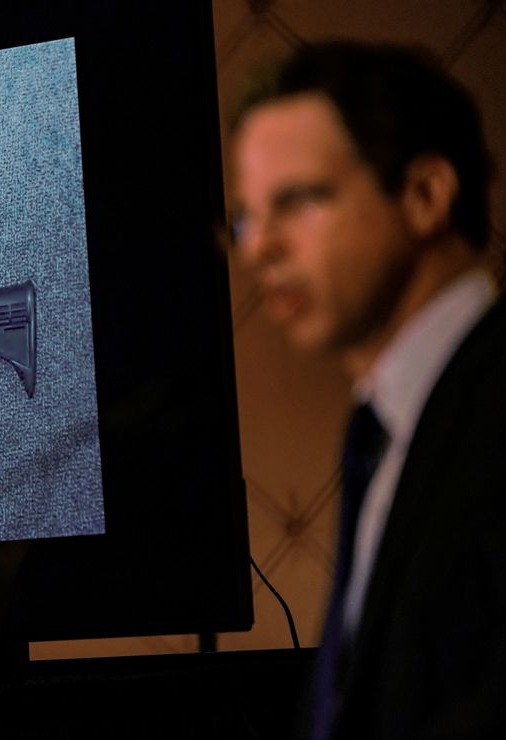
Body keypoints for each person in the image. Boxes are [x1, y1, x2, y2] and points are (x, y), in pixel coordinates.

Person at [229, 41, 506, 739]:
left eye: (298, 201)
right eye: (246, 218)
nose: (260, 247)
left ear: (425, 195)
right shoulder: (386, 425)